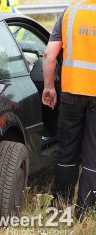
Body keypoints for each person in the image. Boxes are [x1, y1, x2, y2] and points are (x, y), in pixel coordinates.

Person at [43, 0, 96, 219]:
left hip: (71, 93)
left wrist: (48, 88)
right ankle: (85, 212)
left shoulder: (70, 12)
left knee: (67, 150)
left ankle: (59, 206)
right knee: (93, 154)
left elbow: (49, 55)